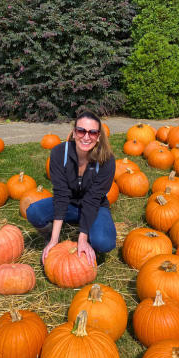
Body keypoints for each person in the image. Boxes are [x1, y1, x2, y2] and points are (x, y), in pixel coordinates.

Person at [26, 110, 117, 266]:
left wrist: (82, 238)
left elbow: (93, 198)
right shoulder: (59, 153)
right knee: (34, 212)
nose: (86, 137)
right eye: (81, 130)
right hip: (69, 204)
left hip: (96, 206)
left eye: (92, 133)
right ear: (74, 132)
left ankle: (88, 230)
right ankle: (52, 236)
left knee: (104, 243)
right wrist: (54, 239)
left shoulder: (107, 160)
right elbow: (61, 195)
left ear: (99, 136)